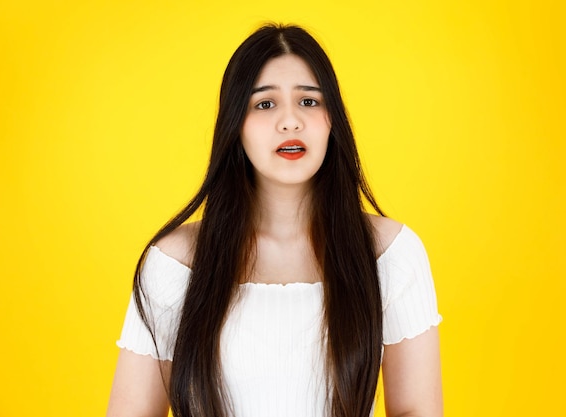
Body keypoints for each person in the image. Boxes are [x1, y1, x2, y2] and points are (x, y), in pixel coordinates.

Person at [107, 23, 442, 417]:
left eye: (309, 102)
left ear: (332, 119)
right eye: (265, 104)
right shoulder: (173, 264)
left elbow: (415, 410)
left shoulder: (391, 255)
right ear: (236, 125)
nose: (290, 121)